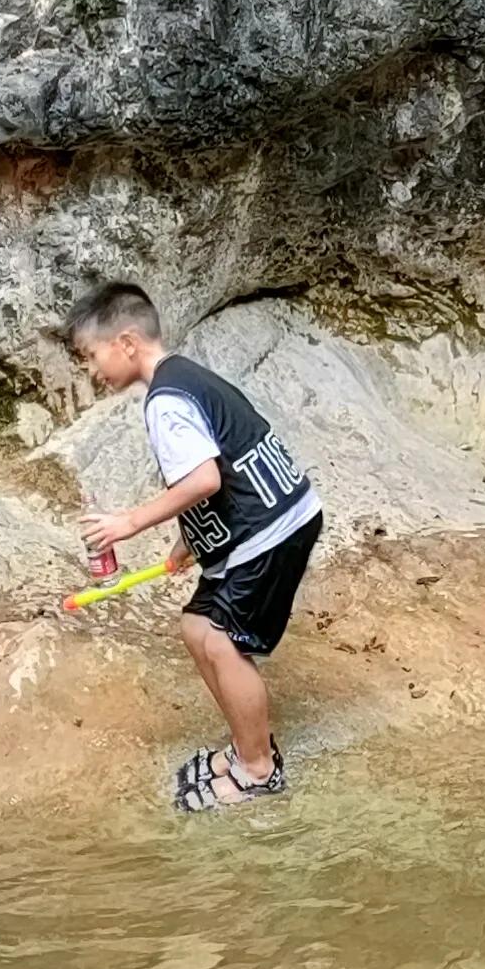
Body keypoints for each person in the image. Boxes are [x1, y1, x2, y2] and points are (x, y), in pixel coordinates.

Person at [66, 282, 323, 814]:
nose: (91, 370)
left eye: (91, 355)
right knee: (197, 627)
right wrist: (190, 540)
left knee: (222, 642)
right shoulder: (183, 378)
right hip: (257, 525)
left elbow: (204, 478)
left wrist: (129, 522)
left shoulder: (166, 400)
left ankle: (259, 770)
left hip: (271, 529)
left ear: (127, 342)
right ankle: (246, 745)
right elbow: (224, 464)